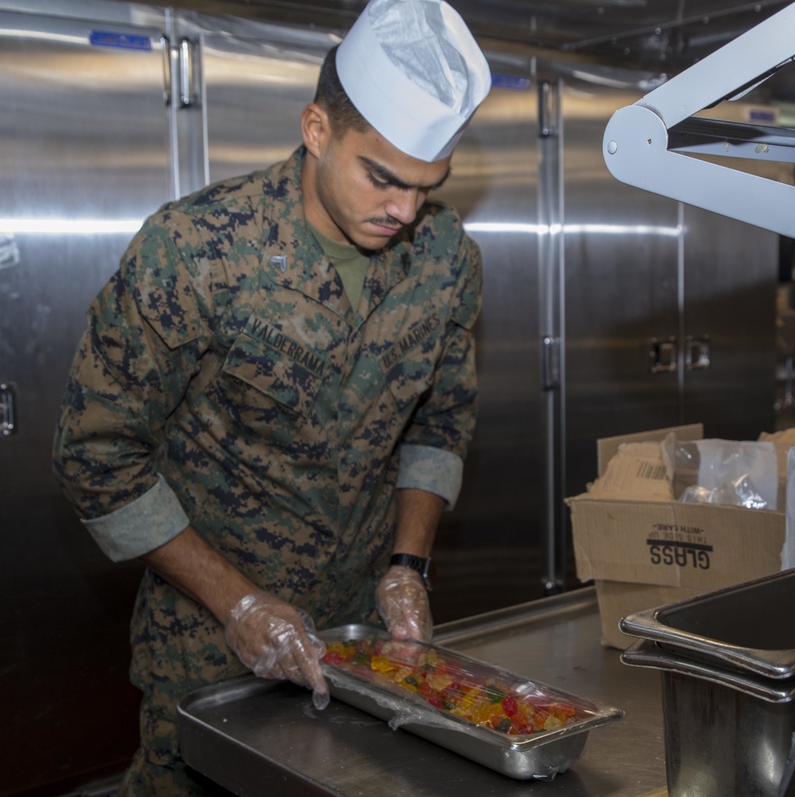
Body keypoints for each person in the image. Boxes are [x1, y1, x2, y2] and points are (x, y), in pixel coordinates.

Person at [52, 0, 490, 793]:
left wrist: (406, 565)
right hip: (206, 648)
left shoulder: (444, 260)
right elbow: (96, 453)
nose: (405, 210)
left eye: (429, 187)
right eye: (383, 178)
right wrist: (241, 602)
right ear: (316, 129)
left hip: (362, 644)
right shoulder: (195, 253)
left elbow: (442, 419)